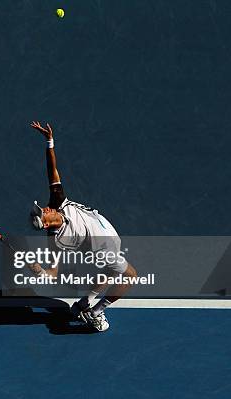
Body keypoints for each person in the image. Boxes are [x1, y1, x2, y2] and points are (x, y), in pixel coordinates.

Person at [27, 121, 138, 332]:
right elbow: (53, 271)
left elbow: (52, 171)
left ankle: (82, 304)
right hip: (104, 249)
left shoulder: (57, 202)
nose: (45, 208)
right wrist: (40, 271)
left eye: (41, 208)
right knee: (130, 275)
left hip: (106, 236)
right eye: (42, 213)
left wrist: (49, 142)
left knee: (109, 273)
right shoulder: (56, 240)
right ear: (45, 223)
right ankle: (96, 312)